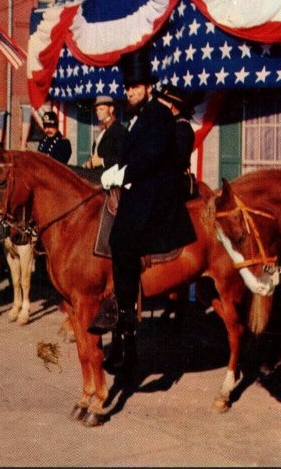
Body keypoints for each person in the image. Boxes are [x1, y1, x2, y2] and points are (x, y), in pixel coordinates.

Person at [88, 48, 198, 373]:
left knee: (122, 239)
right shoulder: (134, 120)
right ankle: (123, 326)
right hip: (139, 185)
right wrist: (113, 169)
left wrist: (123, 173)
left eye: (135, 87)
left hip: (156, 190)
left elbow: (151, 156)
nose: (130, 92)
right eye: (127, 87)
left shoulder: (160, 116)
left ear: (149, 87)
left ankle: (122, 315)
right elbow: (128, 154)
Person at [156, 84, 199, 199]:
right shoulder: (167, 125)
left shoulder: (182, 127)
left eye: (160, 103)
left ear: (170, 105)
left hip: (175, 185)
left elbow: (177, 161)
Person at [83, 95, 126, 171]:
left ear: (111, 109)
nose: (98, 112)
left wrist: (102, 161)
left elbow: (123, 157)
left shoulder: (119, 130)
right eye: (97, 110)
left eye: (101, 109)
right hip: (95, 174)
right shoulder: (102, 130)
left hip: (109, 177)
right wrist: (90, 162)